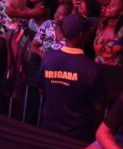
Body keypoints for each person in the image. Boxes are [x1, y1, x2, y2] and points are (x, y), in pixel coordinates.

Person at [39, 12, 105, 141]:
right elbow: (99, 106)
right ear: (81, 35)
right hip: (76, 137)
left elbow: (41, 90)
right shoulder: (91, 68)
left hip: (48, 133)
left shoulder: (48, 59)